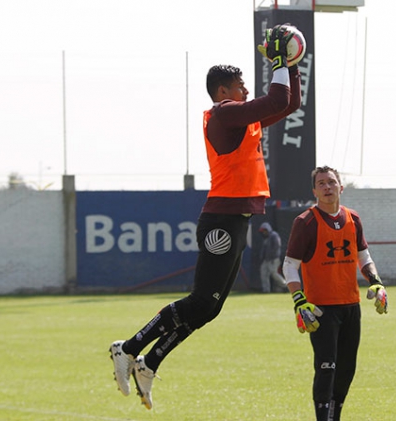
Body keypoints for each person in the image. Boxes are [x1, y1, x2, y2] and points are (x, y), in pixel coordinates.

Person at [109, 24, 302, 410]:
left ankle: (149, 362)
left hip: (234, 218)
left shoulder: (239, 117)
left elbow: (288, 103)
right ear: (223, 92)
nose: (246, 91)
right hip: (221, 221)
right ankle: (128, 348)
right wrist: (280, 61)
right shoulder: (225, 114)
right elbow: (273, 99)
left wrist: (291, 64)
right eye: (241, 85)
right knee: (201, 301)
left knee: (209, 307)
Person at [282, 165, 388, 421]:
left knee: (346, 370)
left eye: (331, 182)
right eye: (321, 183)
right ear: (314, 191)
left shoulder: (353, 219)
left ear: (341, 187)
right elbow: (289, 265)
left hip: (351, 306)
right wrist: (299, 300)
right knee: (326, 367)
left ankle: (334, 415)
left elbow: (364, 257)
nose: (327, 187)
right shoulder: (305, 222)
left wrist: (376, 281)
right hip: (320, 309)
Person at [258, 222, 287, 293]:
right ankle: (266, 290)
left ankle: (285, 285)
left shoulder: (274, 235)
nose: (264, 232)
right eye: (262, 231)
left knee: (274, 273)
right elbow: (264, 249)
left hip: (274, 259)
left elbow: (277, 247)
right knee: (263, 274)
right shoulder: (265, 238)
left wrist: (273, 256)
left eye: (264, 230)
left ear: (268, 229)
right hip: (266, 259)